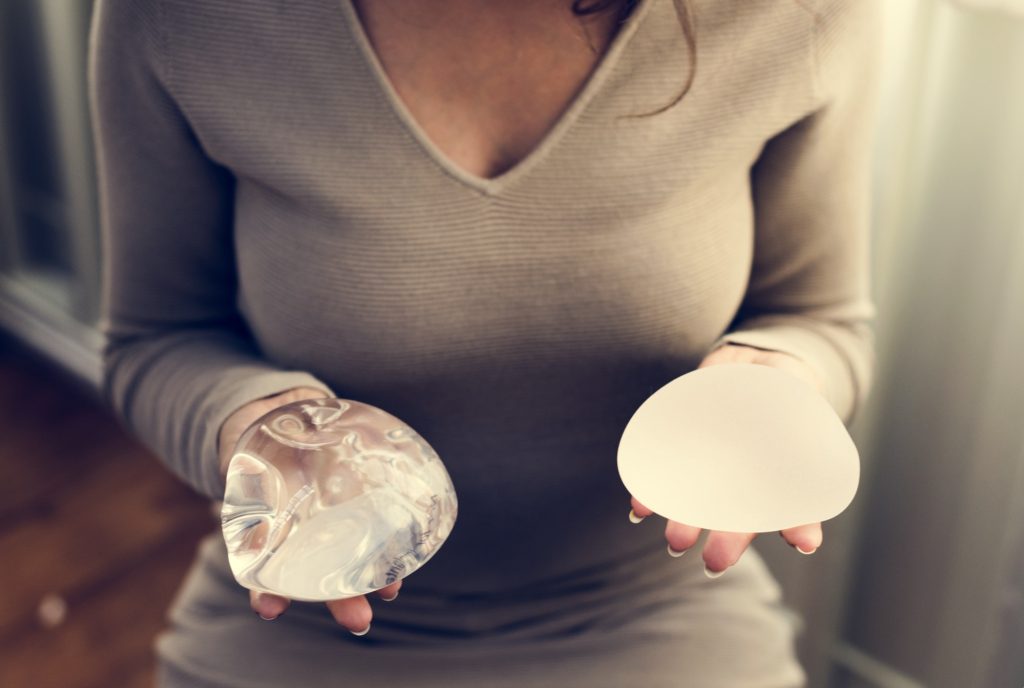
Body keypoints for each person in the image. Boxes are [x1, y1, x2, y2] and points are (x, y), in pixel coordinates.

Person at [88, 0, 881, 685]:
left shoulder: (796, 16)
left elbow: (823, 317)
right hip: (307, 604)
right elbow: (157, 339)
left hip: (656, 603)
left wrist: (781, 373)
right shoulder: (181, 21)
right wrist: (254, 423)